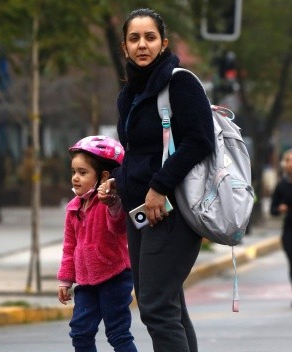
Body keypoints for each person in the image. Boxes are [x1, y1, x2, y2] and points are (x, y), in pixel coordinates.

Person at [98, 8, 215, 352]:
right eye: (134, 38)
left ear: (163, 43)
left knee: (156, 307)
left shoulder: (180, 83)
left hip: (172, 208)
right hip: (141, 212)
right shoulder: (130, 94)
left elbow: (200, 140)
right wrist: (116, 181)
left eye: (150, 37)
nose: (142, 45)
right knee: (168, 307)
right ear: (124, 47)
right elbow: (139, 155)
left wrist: (159, 186)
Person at [57, 135, 138, 352]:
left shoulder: (111, 202)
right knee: (80, 333)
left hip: (115, 278)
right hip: (85, 282)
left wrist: (112, 203)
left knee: (118, 333)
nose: (75, 178)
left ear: (103, 176)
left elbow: (119, 227)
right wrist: (65, 280)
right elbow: (69, 247)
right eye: (73, 172)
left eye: (82, 173)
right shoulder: (74, 207)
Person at [270, 149, 292, 297]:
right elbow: (273, 209)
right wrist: (280, 209)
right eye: (289, 160)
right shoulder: (281, 185)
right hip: (289, 230)